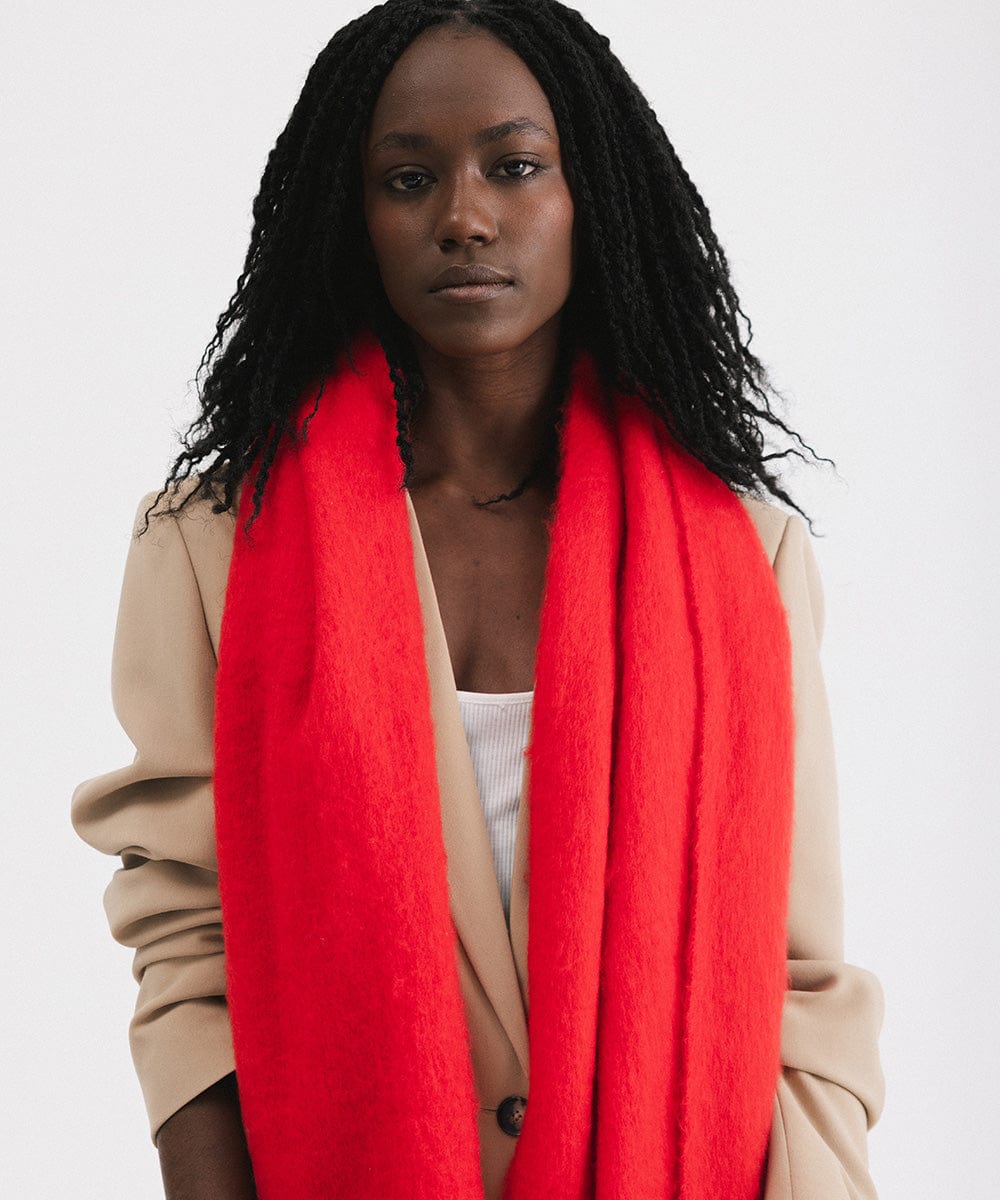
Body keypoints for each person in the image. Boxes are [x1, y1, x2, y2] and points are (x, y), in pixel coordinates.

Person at [70, 2, 885, 1198]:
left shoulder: (741, 553)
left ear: (587, 193)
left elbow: (795, 978)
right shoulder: (208, 548)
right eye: (407, 179)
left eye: (514, 166)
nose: (463, 217)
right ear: (349, 217)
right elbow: (189, 940)